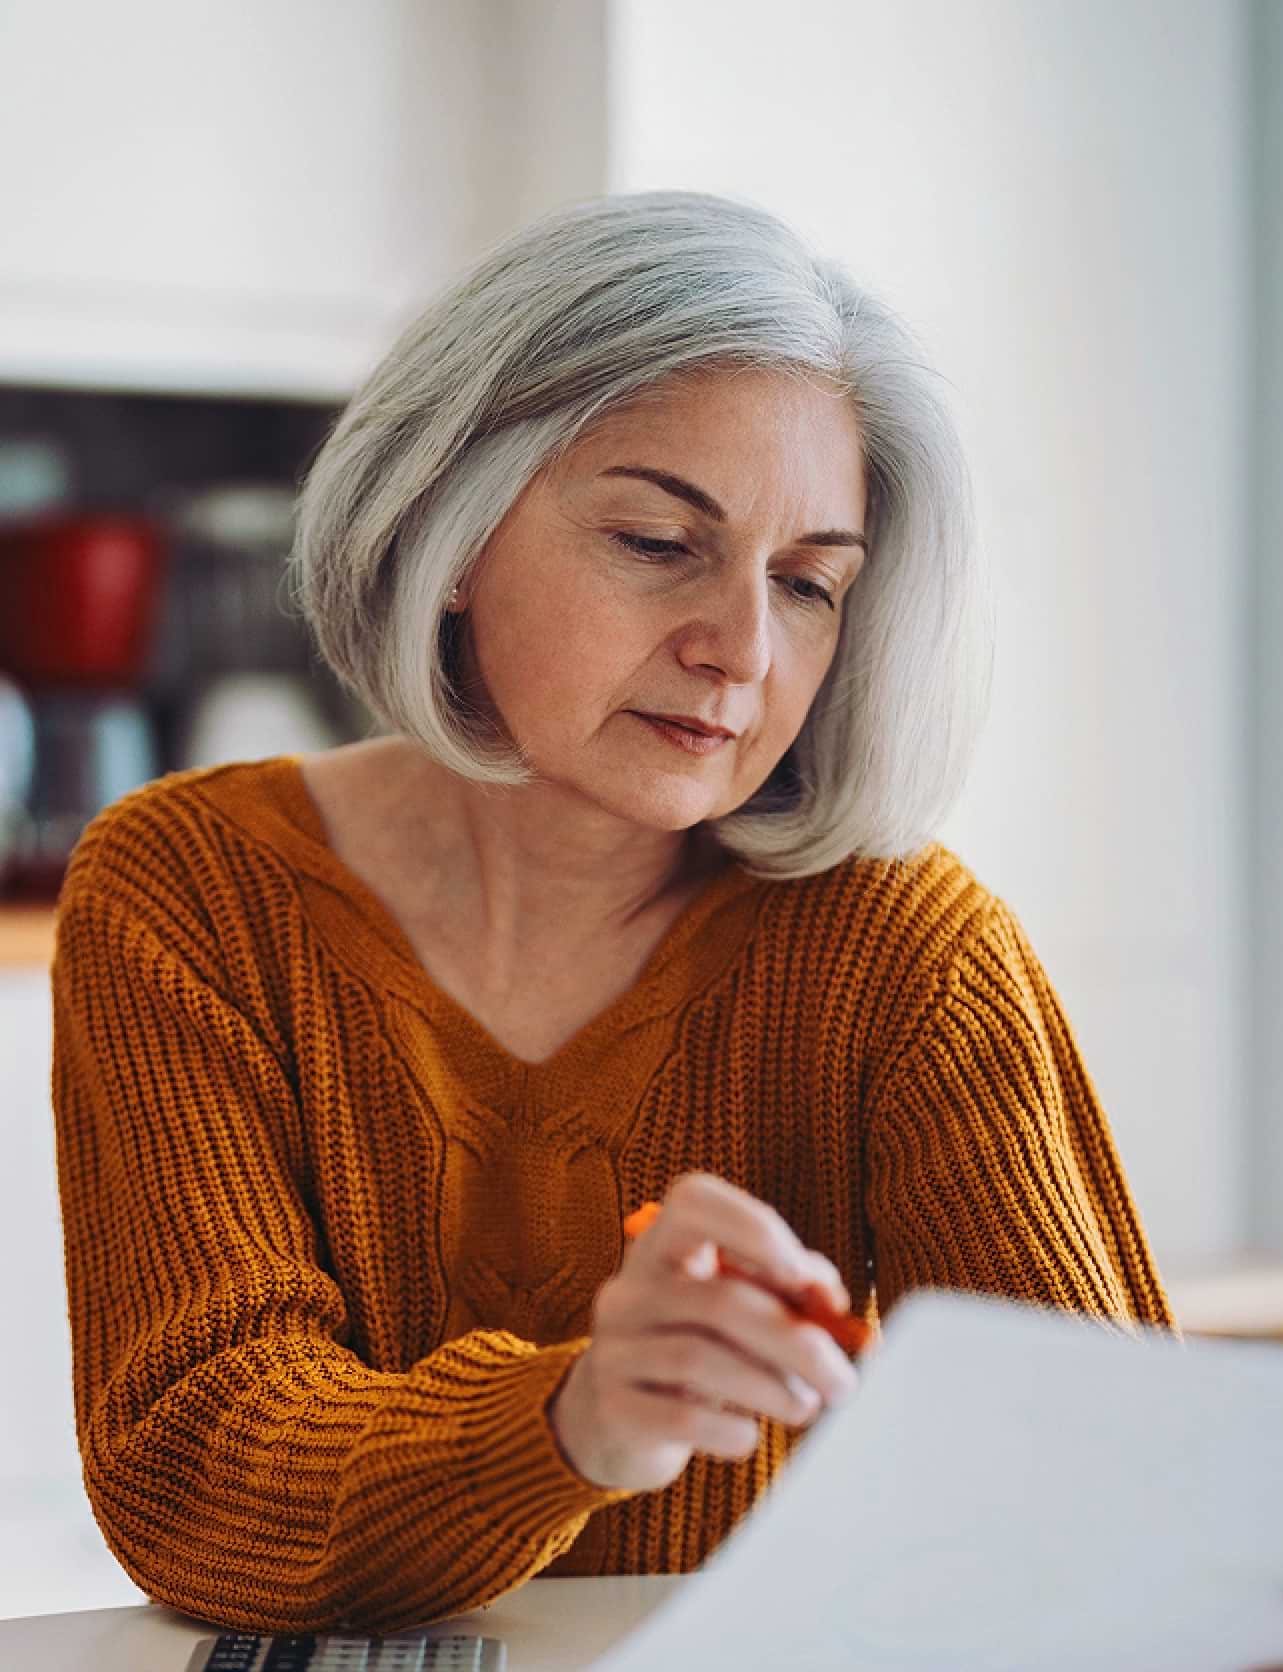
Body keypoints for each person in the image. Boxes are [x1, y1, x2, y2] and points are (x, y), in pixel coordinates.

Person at [51, 190, 1176, 1637]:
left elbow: (1117, 1485)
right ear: (447, 529)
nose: (741, 652)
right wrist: (569, 1421)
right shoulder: (193, 888)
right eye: (655, 542)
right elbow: (196, 1483)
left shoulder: (907, 952)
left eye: (810, 583)